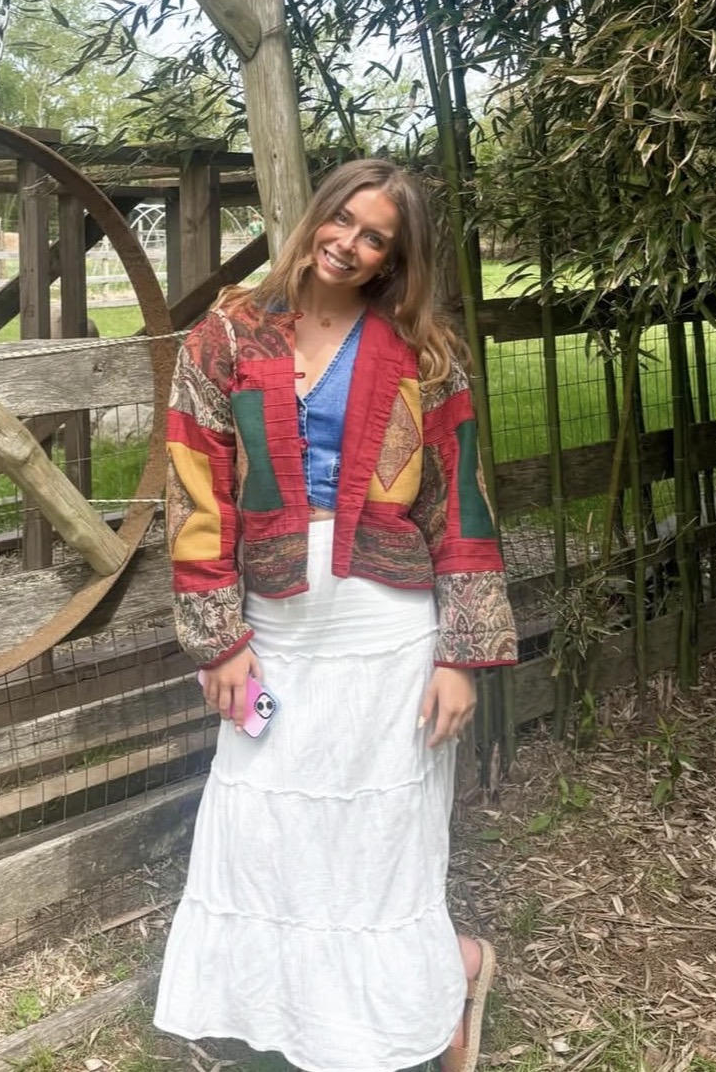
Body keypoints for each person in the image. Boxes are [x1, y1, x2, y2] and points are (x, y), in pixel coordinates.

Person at [155, 159, 518, 1072]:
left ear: (396, 257)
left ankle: (432, 994)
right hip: (272, 634)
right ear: (316, 215)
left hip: (390, 636)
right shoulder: (227, 334)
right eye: (342, 220)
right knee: (266, 830)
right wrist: (219, 640)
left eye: (374, 237)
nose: (348, 245)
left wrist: (460, 657)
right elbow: (195, 490)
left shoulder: (426, 355)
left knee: (375, 841)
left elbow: (461, 506)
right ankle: (317, 1019)